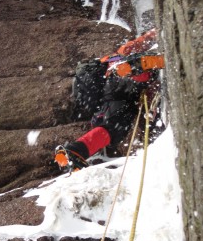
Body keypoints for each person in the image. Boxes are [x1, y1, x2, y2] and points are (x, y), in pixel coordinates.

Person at [54, 29, 164, 171]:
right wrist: (153, 34)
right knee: (116, 121)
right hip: (117, 77)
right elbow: (137, 44)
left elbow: (103, 130)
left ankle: (75, 151)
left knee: (113, 127)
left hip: (116, 87)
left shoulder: (101, 109)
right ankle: (138, 68)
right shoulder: (111, 59)